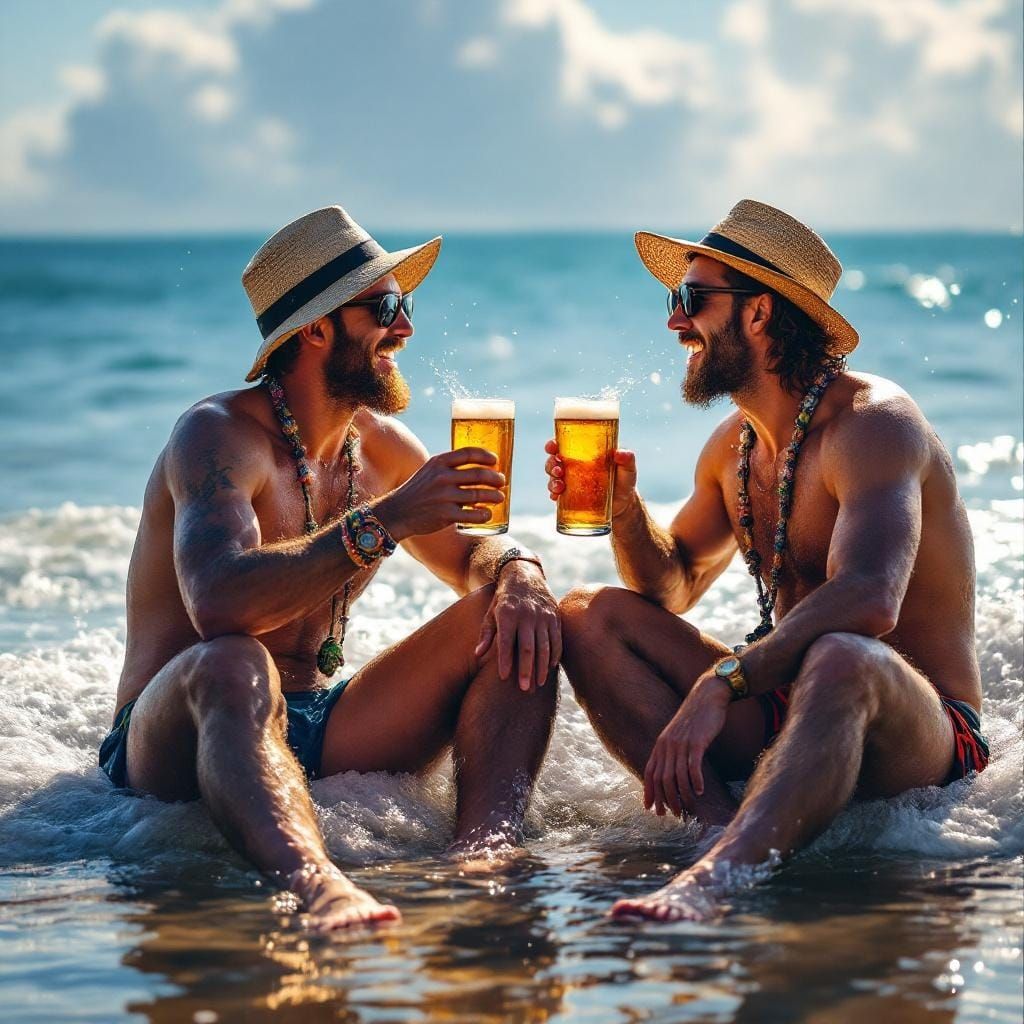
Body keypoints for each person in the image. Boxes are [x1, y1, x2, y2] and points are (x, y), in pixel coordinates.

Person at [98, 206, 561, 930]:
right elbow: (219, 605)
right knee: (231, 659)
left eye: (404, 305)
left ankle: (484, 855)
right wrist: (386, 521)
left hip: (320, 721)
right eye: (384, 307)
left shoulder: (374, 445)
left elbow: (475, 552)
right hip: (178, 736)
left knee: (515, 619)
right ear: (315, 329)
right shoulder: (217, 436)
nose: (404, 327)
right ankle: (317, 884)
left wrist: (520, 571)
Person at [547, 200, 989, 921]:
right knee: (588, 615)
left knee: (844, 653)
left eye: (692, 299)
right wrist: (625, 513)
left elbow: (872, 598)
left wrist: (725, 681)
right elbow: (674, 583)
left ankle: (721, 877)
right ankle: (721, 830)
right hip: (790, 705)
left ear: (757, 314)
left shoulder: (872, 425)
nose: (674, 322)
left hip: (919, 734)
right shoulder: (735, 446)